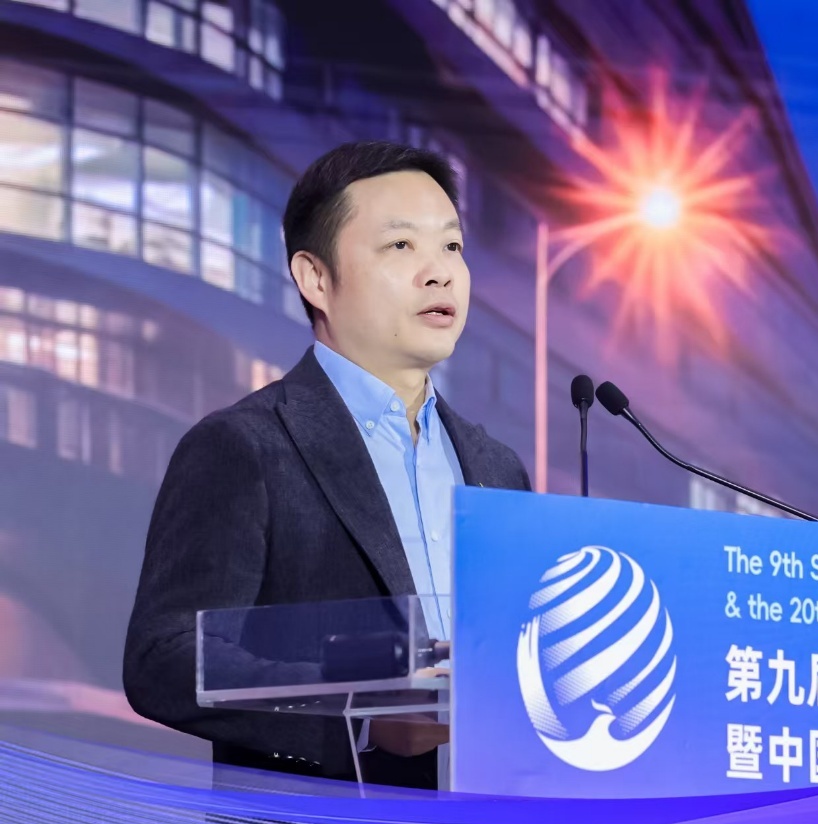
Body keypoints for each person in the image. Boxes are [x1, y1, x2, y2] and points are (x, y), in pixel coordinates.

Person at [123, 141, 531, 790]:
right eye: (401, 245)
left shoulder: (496, 468)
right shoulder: (246, 446)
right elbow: (164, 658)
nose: (440, 273)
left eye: (452, 246)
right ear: (316, 278)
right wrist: (358, 713)